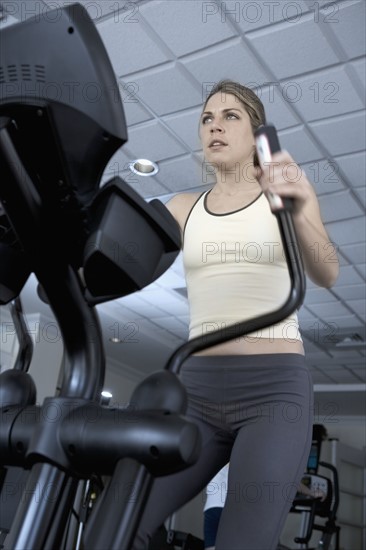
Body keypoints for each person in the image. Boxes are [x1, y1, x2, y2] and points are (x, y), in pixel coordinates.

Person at [135, 79, 339, 550]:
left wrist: (301, 204)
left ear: (257, 135)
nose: (215, 126)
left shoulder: (284, 198)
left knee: (239, 543)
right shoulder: (183, 208)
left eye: (230, 117)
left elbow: (326, 271)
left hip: (273, 389)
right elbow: (124, 263)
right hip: (197, 388)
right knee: (124, 520)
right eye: (207, 118)